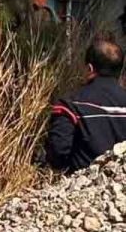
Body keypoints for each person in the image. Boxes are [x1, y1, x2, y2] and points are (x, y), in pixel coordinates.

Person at [47, 37, 126, 172]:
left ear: (89, 69)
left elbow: (58, 152)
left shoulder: (71, 104)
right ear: (119, 71)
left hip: (85, 186)